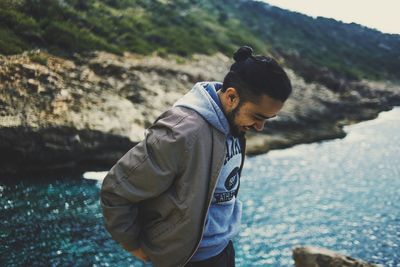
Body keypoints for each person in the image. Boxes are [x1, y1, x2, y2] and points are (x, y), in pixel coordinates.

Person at [100, 46, 292, 267]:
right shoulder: (182, 132)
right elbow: (116, 190)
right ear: (231, 97)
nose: (260, 127)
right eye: (257, 117)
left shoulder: (234, 123)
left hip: (222, 249)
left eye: (268, 119)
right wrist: (133, 245)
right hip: (189, 260)